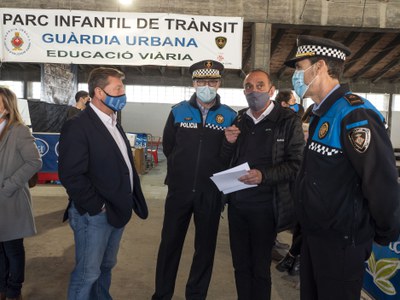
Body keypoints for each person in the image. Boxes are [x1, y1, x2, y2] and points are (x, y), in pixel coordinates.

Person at [284, 35, 400, 300]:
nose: (296, 76)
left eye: (300, 68)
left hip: (341, 242)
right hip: (316, 235)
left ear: (320, 66)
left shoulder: (354, 114)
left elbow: (380, 180)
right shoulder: (320, 113)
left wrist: (383, 231)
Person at [58, 67, 148, 300]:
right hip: (95, 215)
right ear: (99, 92)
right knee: (87, 274)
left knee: (105, 267)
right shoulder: (78, 125)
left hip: (116, 210)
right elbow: (71, 175)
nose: (123, 93)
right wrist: (97, 207)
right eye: (118, 88)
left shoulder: (113, 122)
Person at [152, 60, 237, 300]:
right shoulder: (178, 111)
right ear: (193, 83)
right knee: (169, 245)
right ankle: (162, 294)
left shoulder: (229, 116)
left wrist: (230, 144)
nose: (206, 86)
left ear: (219, 83)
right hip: (179, 191)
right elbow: (169, 147)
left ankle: (196, 295)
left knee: (205, 249)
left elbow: (226, 158)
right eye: (201, 81)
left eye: (211, 81)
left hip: (209, 194)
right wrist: (181, 171)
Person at [221, 70, 304, 299]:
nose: (254, 91)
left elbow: (297, 164)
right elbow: (227, 159)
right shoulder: (239, 119)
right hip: (238, 207)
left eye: (260, 85)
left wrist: (263, 175)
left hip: (266, 208)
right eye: (249, 86)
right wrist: (228, 144)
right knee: (240, 267)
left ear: (271, 90)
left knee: (259, 269)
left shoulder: (287, 121)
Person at [0, 87, 42, 300]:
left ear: (7, 107)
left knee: (13, 249)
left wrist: (10, 184)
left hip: (11, 198)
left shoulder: (19, 130)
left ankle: (14, 290)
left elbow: (34, 161)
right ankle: (1, 288)